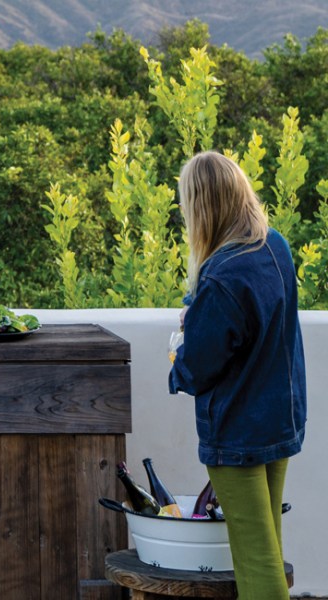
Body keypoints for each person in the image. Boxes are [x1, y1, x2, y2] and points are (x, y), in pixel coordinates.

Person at [169, 151, 306, 599]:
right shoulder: (276, 247)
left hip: (237, 433)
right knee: (268, 548)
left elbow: (198, 368)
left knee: (254, 559)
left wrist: (177, 360)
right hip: (279, 422)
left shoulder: (222, 277)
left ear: (204, 206)